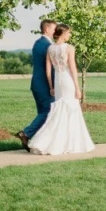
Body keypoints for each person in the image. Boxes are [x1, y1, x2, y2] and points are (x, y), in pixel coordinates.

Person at [28, 23, 95, 155]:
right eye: (69, 33)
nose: (70, 35)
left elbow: (48, 71)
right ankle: (70, 143)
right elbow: (73, 69)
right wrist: (77, 87)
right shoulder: (69, 48)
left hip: (58, 83)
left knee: (59, 110)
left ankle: (48, 141)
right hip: (67, 81)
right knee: (71, 109)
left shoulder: (50, 48)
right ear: (63, 33)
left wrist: (52, 86)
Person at [15, 18, 56, 151]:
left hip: (37, 84)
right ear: (47, 29)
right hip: (43, 84)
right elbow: (51, 68)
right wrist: (54, 86)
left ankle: (39, 142)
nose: (56, 31)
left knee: (43, 113)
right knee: (49, 112)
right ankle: (26, 133)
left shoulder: (39, 43)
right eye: (54, 28)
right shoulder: (46, 45)